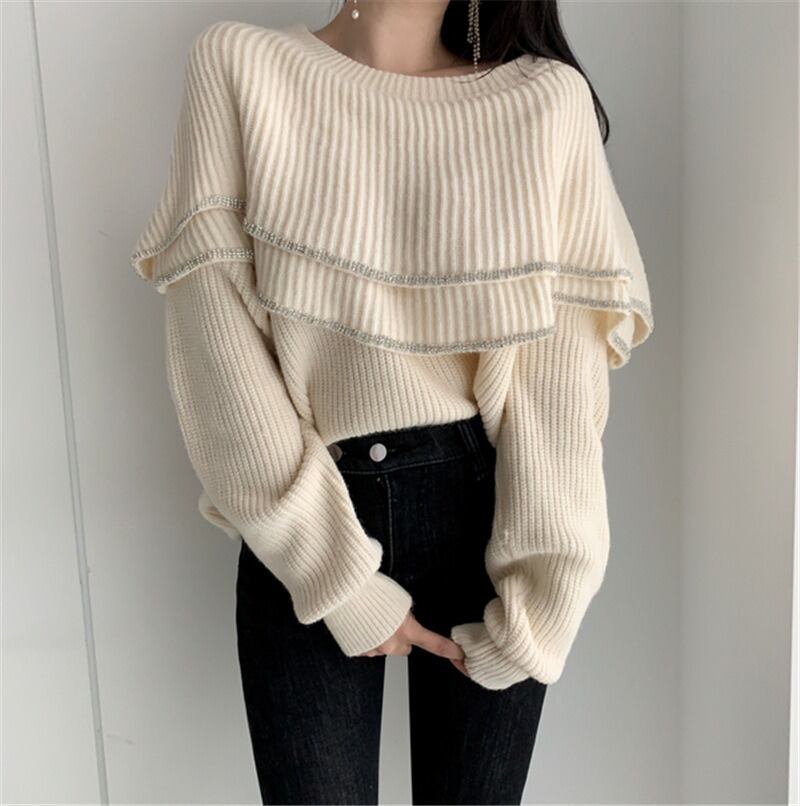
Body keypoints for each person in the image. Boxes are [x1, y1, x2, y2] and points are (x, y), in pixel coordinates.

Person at [129, 1, 654, 803]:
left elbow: (560, 382)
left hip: (491, 518)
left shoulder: (544, 100)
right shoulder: (237, 66)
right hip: (304, 514)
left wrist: (546, 597)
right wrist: (336, 577)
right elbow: (215, 349)